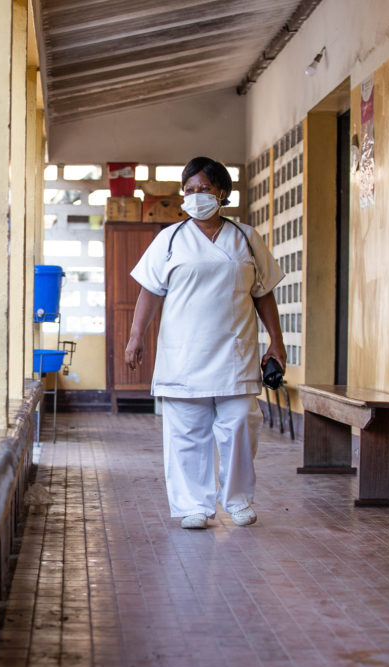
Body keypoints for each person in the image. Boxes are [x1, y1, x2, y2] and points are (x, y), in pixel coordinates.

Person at [125, 156, 285, 529]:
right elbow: (150, 291)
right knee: (186, 432)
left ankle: (239, 500)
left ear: (223, 194)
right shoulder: (170, 239)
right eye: (190, 191)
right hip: (183, 354)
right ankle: (193, 505)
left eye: (205, 190)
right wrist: (136, 336)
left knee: (241, 425)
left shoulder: (246, 237)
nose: (196, 197)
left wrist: (275, 342)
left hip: (235, 351)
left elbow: (263, 293)